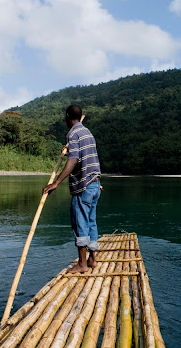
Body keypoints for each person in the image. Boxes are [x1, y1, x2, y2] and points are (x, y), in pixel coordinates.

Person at [43, 104, 102, 274]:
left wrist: (56, 182)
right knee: (91, 221)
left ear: (68, 117)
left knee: (80, 223)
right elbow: (82, 156)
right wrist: (68, 151)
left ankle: (82, 264)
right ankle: (92, 259)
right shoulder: (87, 133)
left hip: (83, 186)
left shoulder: (73, 134)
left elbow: (74, 160)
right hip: (95, 183)